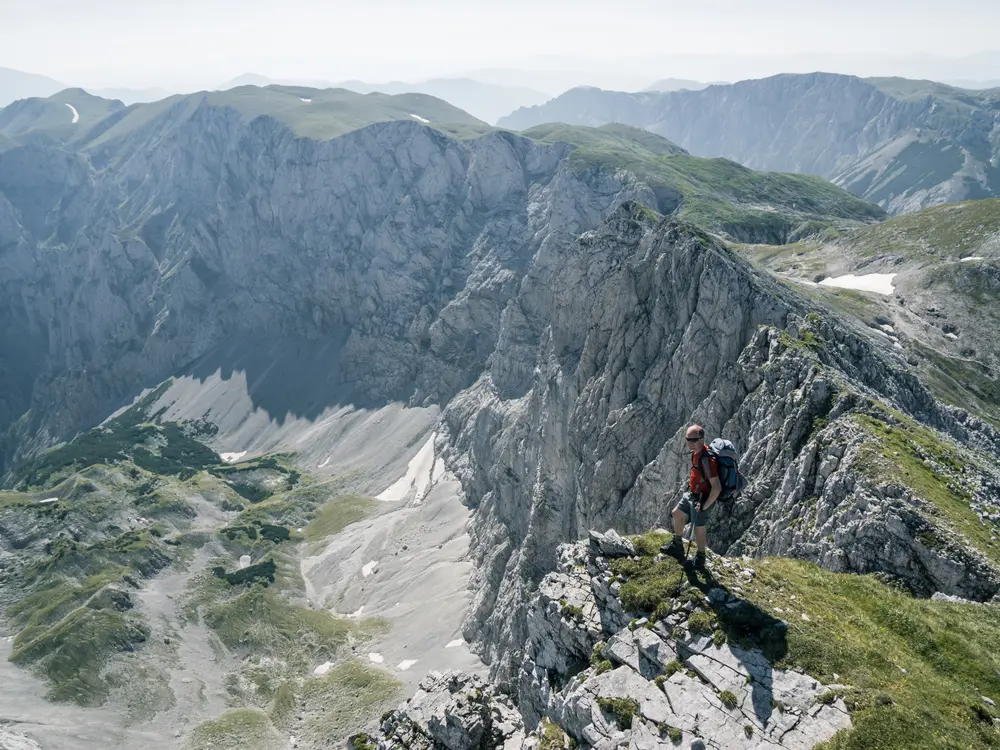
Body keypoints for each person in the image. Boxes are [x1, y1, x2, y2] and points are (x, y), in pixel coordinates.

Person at [660, 424, 721, 569]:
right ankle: (677, 545)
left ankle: (700, 558)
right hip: (693, 495)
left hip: (702, 499)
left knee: (699, 527)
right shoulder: (695, 453)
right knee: (677, 513)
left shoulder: (707, 460)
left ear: (702, 439)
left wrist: (705, 506)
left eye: (693, 440)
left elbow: (717, 487)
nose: (690, 443)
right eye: (688, 439)